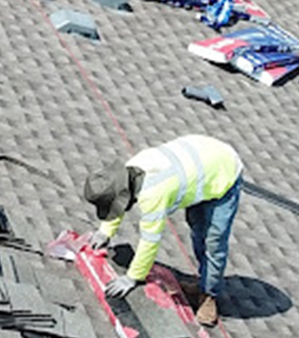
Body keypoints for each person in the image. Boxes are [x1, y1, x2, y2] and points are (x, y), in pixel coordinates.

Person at [83, 134, 243, 327]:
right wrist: (105, 231)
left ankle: (209, 294)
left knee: (213, 241)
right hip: (202, 163)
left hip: (223, 173)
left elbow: (150, 240)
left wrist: (132, 277)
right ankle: (204, 281)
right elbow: (117, 196)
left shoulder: (154, 193)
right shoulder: (129, 171)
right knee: (198, 227)